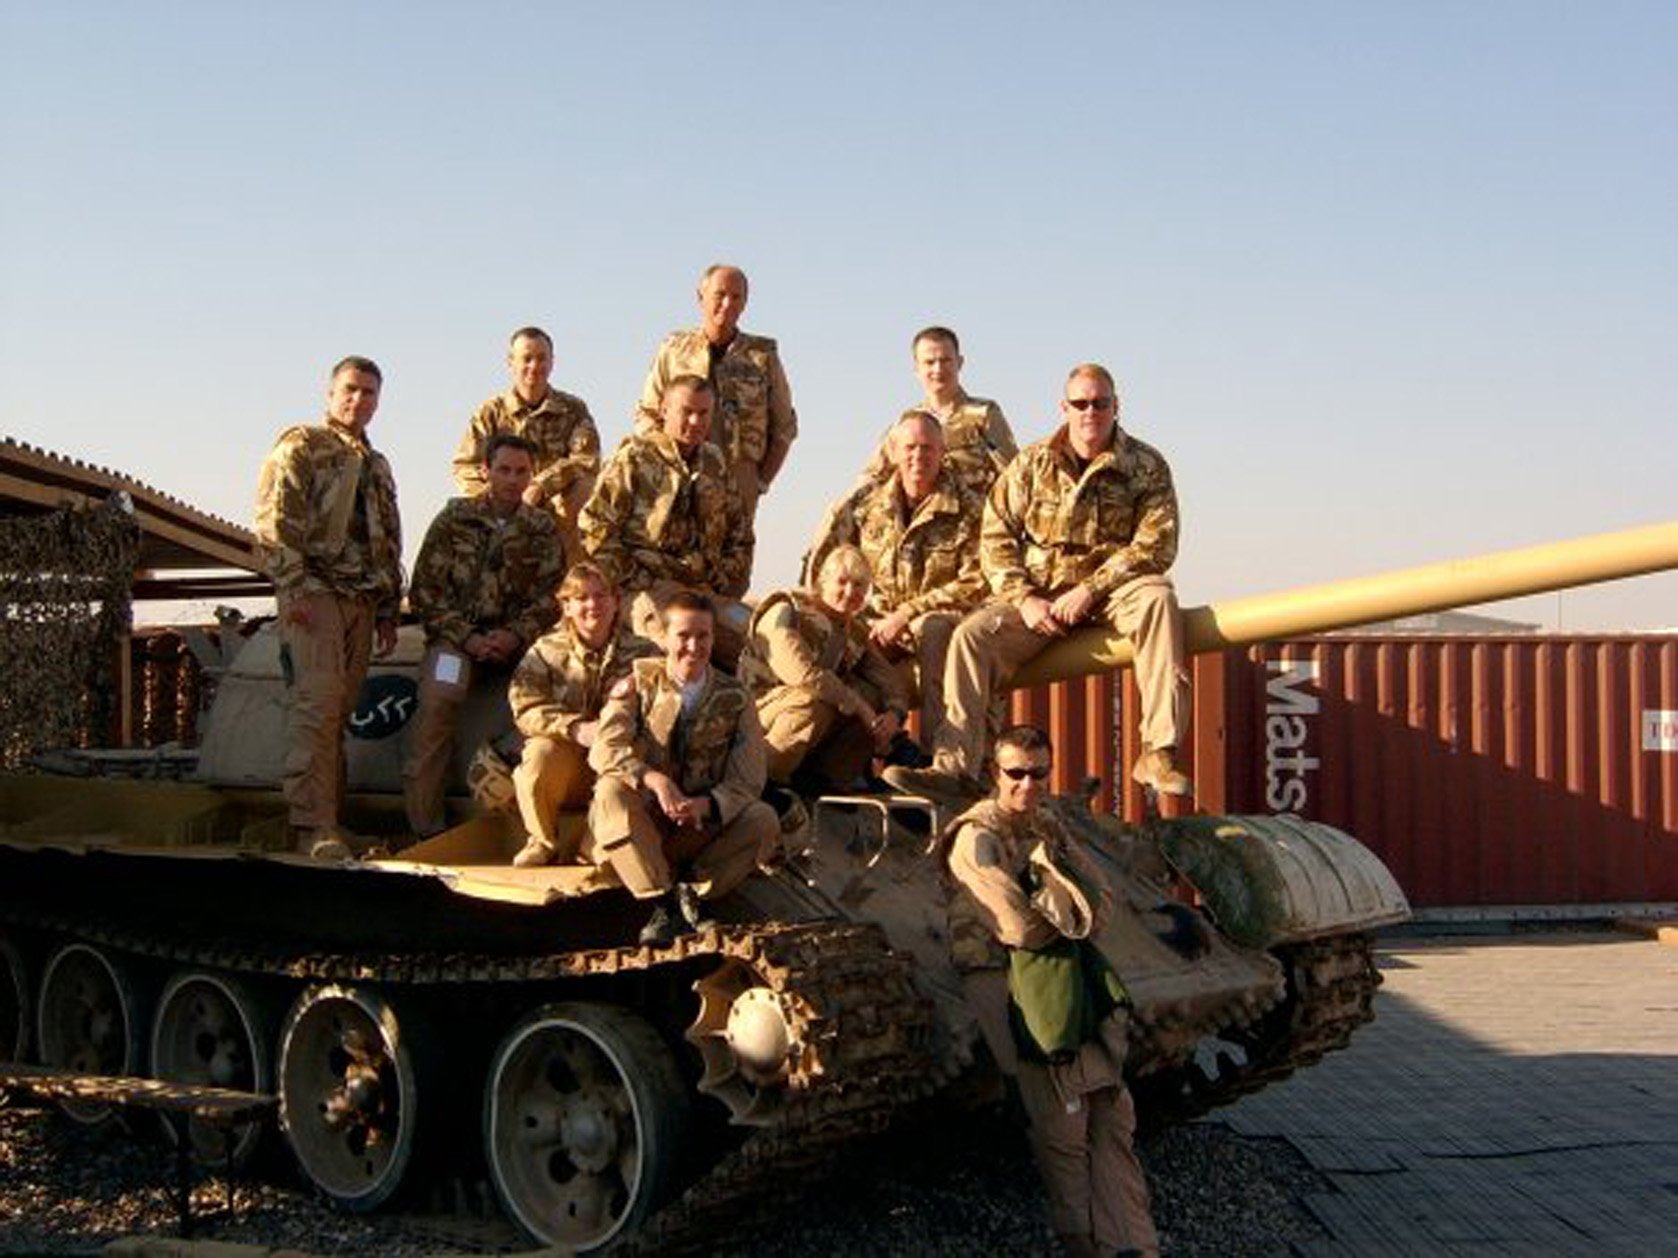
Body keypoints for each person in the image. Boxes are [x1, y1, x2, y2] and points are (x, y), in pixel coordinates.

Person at [886, 364, 1191, 800]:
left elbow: (1156, 545)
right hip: (1041, 598)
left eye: (1101, 403)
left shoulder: (1145, 466)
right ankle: (954, 769)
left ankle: (1158, 751)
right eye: (1081, 404)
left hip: (1111, 594)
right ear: (1064, 407)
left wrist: (1092, 588)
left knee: (1159, 598)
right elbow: (994, 538)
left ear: (1116, 406)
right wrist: (1025, 597)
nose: (1091, 412)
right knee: (970, 637)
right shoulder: (1031, 464)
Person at [944, 724, 1159, 1258]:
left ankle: (1133, 1243)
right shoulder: (977, 835)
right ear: (996, 773)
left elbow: (1101, 894)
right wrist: (1073, 921)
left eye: (1038, 773)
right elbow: (1014, 926)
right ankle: (1083, 1242)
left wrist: (1077, 920)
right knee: (1064, 1122)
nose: (1027, 784)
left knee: (1113, 1110)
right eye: (1015, 773)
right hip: (1006, 979)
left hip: (1064, 972)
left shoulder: (1048, 824)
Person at [254, 355, 403, 860]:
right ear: (330, 392)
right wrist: (294, 587)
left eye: (369, 393)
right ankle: (310, 825)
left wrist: (386, 607)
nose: (358, 400)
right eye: (350, 389)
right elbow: (275, 520)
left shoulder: (378, 464)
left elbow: (387, 539)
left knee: (337, 713)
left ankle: (331, 821)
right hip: (314, 593)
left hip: (361, 597)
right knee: (315, 709)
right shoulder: (303, 445)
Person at [585, 592, 780, 945]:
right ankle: (664, 902)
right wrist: (651, 779)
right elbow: (604, 749)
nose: (693, 646)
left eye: (703, 636)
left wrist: (708, 804)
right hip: (645, 822)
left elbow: (748, 778)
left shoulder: (735, 698)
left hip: (699, 824)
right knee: (609, 792)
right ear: (665, 638)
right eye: (683, 636)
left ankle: (694, 889)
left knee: (762, 818)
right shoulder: (639, 684)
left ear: (713, 638)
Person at [402, 433, 565, 839]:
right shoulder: (453, 520)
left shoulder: (541, 528)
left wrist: (514, 634)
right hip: (457, 644)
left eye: (521, 471)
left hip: (519, 647)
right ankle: (426, 826)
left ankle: (531, 822)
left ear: (532, 475)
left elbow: (552, 597)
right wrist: (468, 638)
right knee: (438, 702)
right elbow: (425, 592)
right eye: (504, 470)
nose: (512, 479)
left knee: (555, 702)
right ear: (485, 471)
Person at [807, 411, 987, 737]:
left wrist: (907, 613)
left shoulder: (971, 509)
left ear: (943, 452)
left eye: (928, 448)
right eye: (910, 447)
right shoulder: (863, 505)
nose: (919, 456)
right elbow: (825, 568)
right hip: (873, 624)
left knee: (934, 632)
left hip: (938, 621)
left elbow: (978, 580)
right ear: (893, 452)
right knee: (834, 654)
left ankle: (938, 760)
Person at [579, 374, 753, 665]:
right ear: (664, 410)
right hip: (645, 589)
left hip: (703, 591)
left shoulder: (715, 463)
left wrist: (724, 579)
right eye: (687, 411)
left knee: (761, 641)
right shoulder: (634, 458)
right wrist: (637, 579)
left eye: (703, 413)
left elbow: (740, 532)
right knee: (676, 646)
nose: (696, 422)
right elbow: (594, 527)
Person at [633, 263, 797, 568]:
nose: (727, 304)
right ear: (700, 297)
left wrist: (761, 481)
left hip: (738, 476)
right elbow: (646, 413)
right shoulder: (674, 349)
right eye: (719, 295)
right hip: (676, 473)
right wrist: (661, 461)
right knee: (669, 557)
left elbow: (784, 425)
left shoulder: (763, 356)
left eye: (737, 297)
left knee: (730, 564)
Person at [506, 561, 659, 868]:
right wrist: (575, 728)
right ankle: (543, 841)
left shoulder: (645, 653)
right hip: (569, 763)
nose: (593, 605)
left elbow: (665, 710)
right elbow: (524, 706)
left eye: (602, 595)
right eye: (582, 598)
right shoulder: (545, 652)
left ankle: (599, 842)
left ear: (617, 602)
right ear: (566, 606)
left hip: (618, 764)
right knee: (538, 753)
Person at [738, 544, 910, 794]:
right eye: (841, 582)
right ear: (823, 582)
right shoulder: (786, 609)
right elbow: (801, 674)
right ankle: (762, 779)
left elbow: (890, 681)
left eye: (859, 585)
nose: (850, 591)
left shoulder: (855, 631)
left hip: (806, 719)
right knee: (814, 700)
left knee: (872, 695)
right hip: (757, 710)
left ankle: (826, 781)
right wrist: (860, 707)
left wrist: (894, 714)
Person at [450, 326, 600, 558]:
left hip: (556, 510)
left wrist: (540, 486)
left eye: (542, 358)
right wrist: (499, 495)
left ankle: (569, 578)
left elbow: (586, 460)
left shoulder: (574, 409)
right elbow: (465, 466)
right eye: (526, 359)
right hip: (500, 506)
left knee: (586, 488)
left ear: (552, 362)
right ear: (510, 362)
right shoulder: (490, 413)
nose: (534, 366)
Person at [859, 325, 1017, 501]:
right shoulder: (906, 425)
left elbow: (1013, 474)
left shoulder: (983, 414)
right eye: (929, 362)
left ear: (960, 363)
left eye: (945, 360)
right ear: (916, 369)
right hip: (920, 523)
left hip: (973, 523)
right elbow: (871, 479)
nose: (938, 369)